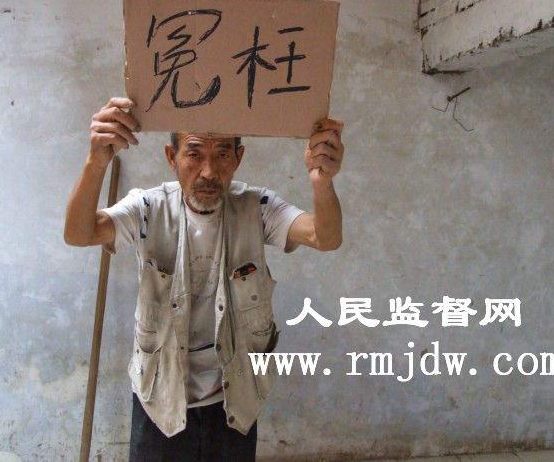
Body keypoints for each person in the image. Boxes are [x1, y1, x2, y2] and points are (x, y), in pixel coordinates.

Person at [64, 97, 344, 461]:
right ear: (172, 157)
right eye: (194, 154)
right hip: (159, 399)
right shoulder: (148, 209)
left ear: (238, 158)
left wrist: (322, 181)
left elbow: (325, 237)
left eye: (223, 154)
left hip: (233, 401)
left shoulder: (257, 208)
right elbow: (79, 233)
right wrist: (96, 161)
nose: (209, 172)